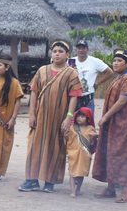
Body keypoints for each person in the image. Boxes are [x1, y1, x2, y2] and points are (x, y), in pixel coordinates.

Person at [20, 40, 83, 193]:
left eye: (61, 51)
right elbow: (34, 92)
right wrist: (32, 114)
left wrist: (68, 118)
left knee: (55, 147)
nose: (57, 54)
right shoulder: (42, 70)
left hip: (59, 117)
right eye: (54, 51)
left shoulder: (71, 73)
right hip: (40, 117)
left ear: (67, 55)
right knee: (34, 146)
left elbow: (74, 96)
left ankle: (50, 181)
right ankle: (32, 180)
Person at [92, 50, 127, 202]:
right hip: (114, 125)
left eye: (120, 60)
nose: (115, 63)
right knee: (112, 153)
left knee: (124, 155)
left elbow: (122, 100)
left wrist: (106, 116)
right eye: (114, 60)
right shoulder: (118, 78)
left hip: (125, 124)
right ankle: (111, 188)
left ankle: (126, 191)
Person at [71, 40, 113, 111]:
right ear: (76, 50)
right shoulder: (70, 61)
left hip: (88, 98)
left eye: (83, 48)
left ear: (88, 49)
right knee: (72, 118)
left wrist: (97, 83)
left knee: (88, 117)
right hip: (73, 97)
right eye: (79, 48)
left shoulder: (95, 61)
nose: (81, 50)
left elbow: (109, 72)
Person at [66, 107, 97, 198]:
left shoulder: (90, 129)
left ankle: (78, 189)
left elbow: (94, 140)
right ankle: (72, 191)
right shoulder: (72, 128)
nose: (79, 118)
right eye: (78, 116)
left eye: (83, 117)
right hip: (73, 154)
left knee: (81, 173)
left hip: (85, 156)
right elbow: (68, 139)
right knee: (73, 173)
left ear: (88, 119)